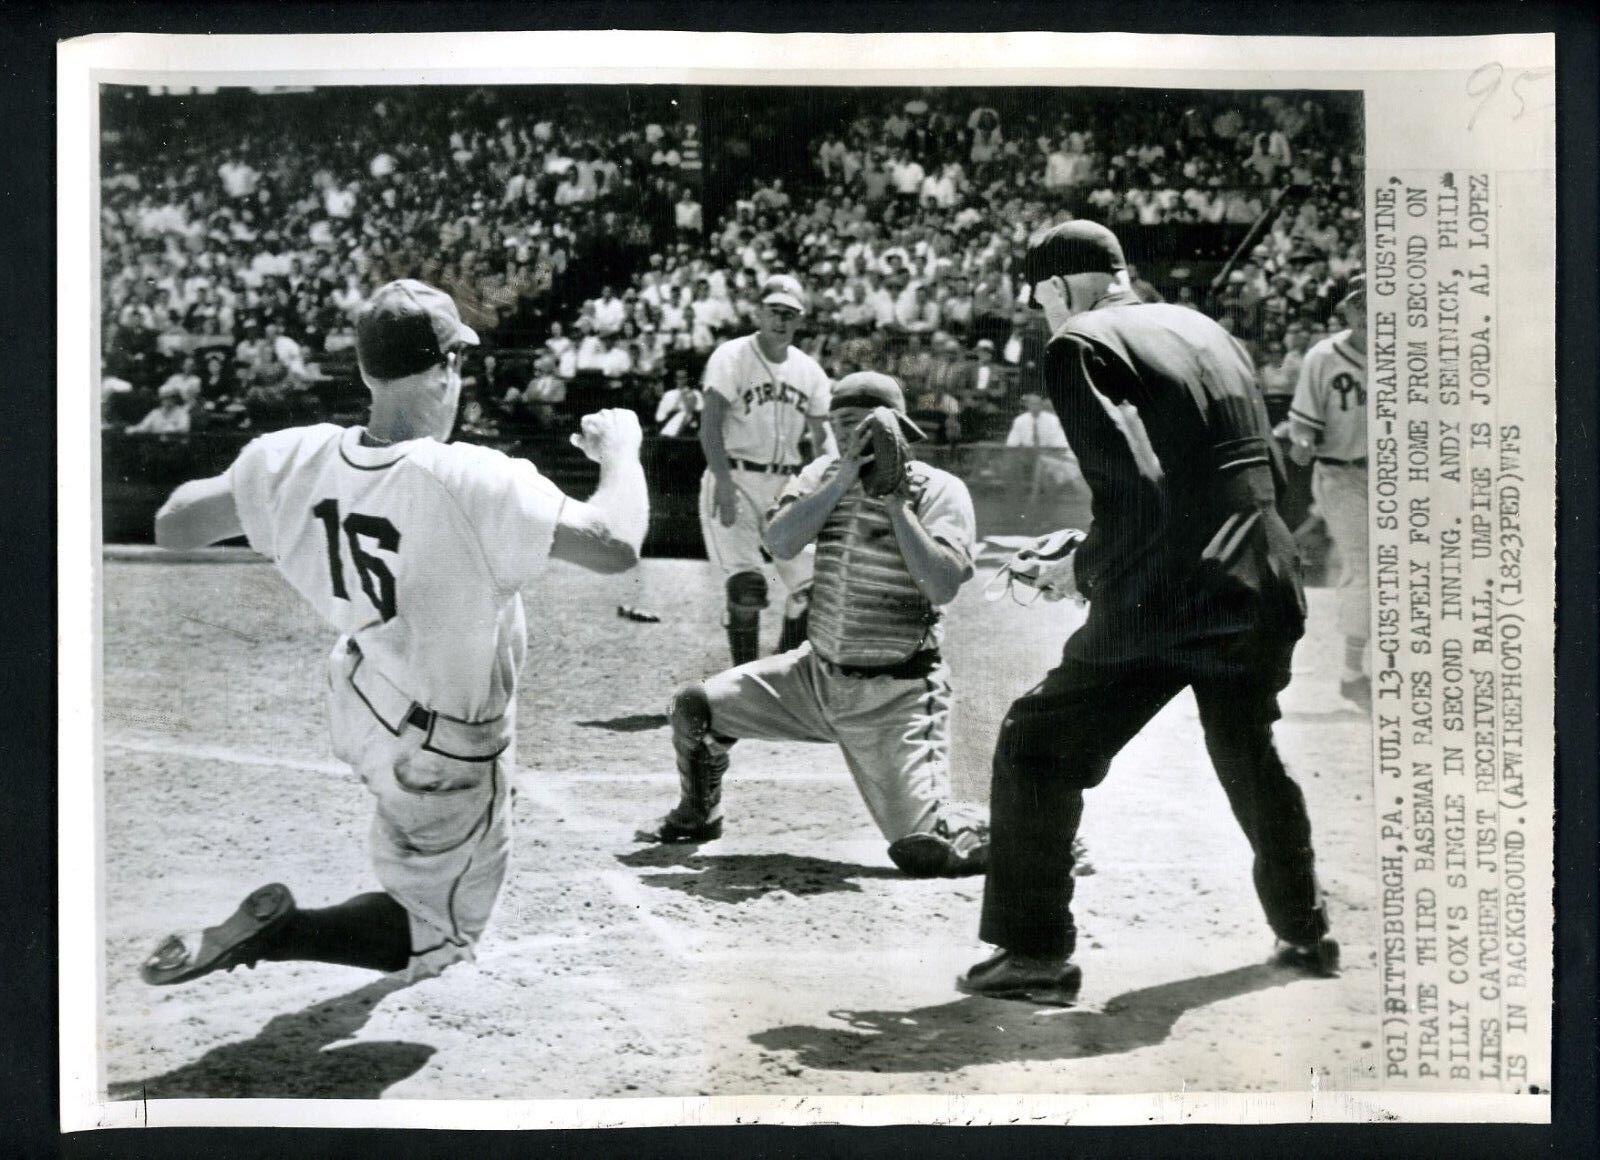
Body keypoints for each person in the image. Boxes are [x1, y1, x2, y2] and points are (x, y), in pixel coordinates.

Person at [138, 279, 649, 987]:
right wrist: (623, 453)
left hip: (359, 693)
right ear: (445, 369)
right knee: (439, 935)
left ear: (366, 369)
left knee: (396, 736)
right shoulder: (471, 476)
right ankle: (285, 935)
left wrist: (270, 494)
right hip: (441, 742)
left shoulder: (295, 456)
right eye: (458, 364)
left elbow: (174, 523)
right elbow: (618, 543)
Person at [960, 222, 1336, 1007]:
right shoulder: (1209, 331)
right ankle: (1306, 928)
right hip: (1263, 576)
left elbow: (1137, 494)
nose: (1042, 320)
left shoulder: (1079, 345)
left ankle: (1034, 955)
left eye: (1039, 304)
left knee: (1036, 744)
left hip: (1172, 595)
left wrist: (1082, 567)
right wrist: (1097, 546)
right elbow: (1224, 475)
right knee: (1246, 745)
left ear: (1061, 288)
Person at [637, 372, 989, 877]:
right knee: (695, 707)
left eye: (868, 426)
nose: (854, 437)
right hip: (814, 678)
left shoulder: (939, 489)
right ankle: (699, 813)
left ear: (900, 430)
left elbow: (941, 585)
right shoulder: (819, 474)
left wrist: (894, 504)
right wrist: (842, 480)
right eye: (843, 425)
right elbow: (779, 542)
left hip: (896, 695)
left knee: (926, 851)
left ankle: (1025, 835)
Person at [698, 274, 833, 665]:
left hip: (785, 485)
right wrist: (722, 480)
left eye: (790, 314)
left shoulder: (809, 371)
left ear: (800, 319)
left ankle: (780, 671)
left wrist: (828, 486)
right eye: (775, 312)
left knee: (816, 586)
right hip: (735, 477)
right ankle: (743, 680)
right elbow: (710, 424)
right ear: (759, 312)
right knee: (747, 587)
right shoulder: (731, 356)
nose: (781, 321)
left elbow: (823, 437)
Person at [1286, 276, 1369, 708]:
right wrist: (1300, 443)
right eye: (1359, 305)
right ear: (1348, 312)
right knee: (1365, 566)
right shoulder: (1323, 357)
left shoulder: (1414, 348)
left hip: (1397, 480)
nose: (1367, 312)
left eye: (1375, 303)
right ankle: (1353, 675)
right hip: (1343, 474)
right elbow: (1302, 433)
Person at [127, 383, 192, 435]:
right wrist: (134, 429)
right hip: (156, 446)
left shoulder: (182, 413)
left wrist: (170, 430)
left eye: (170, 398)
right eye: (164, 398)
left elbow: (184, 429)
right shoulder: (155, 413)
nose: (167, 401)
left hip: (175, 446)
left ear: (175, 399)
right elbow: (143, 427)